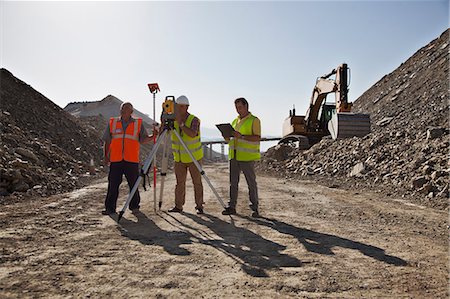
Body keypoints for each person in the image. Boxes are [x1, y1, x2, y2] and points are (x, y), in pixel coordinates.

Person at [102, 102, 155, 215]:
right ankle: (110, 208)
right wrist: (106, 156)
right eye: (122, 109)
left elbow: (143, 139)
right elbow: (107, 140)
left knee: (133, 184)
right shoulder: (113, 122)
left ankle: (134, 206)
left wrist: (153, 137)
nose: (123, 111)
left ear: (131, 112)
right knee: (113, 185)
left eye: (126, 109)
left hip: (131, 160)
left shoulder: (138, 124)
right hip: (116, 159)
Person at [221, 97, 261, 217]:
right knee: (233, 183)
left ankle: (254, 208)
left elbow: (257, 137)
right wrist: (226, 136)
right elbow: (232, 139)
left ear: (246, 106)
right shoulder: (234, 121)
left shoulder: (254, 120)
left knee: (251, 183)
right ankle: (231, 207)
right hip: (234, 156)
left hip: (247, 157)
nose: (238, 110)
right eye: (236, 108)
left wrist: (242, 136)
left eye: (240, 107)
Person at [168, 95, 204, 214]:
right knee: (179, 183)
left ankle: (199, 205)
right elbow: (164, 132)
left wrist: (181, 124)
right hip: (179, 159)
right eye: (177, 107)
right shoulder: (173, 121)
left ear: (187, 107)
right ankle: (178, 206)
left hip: (194, 158)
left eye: (181, 106)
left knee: (197, 182)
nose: (179, 109)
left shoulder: (194, 120)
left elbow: (192, 134)